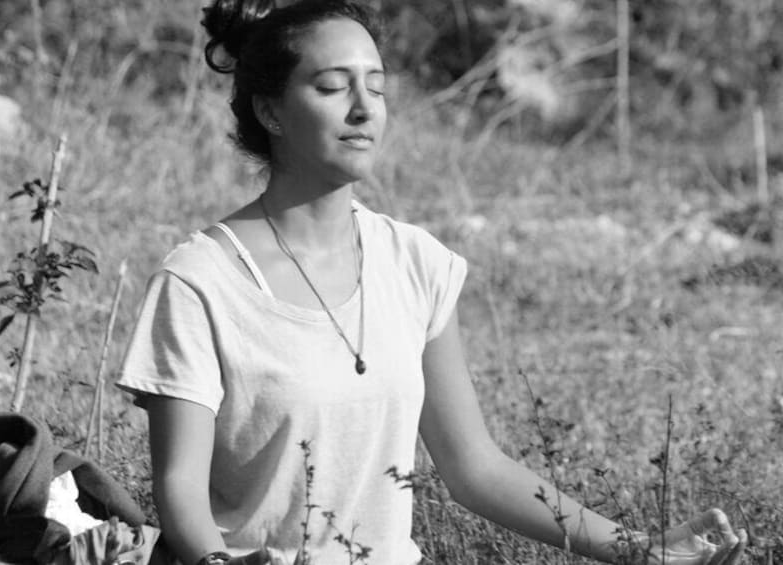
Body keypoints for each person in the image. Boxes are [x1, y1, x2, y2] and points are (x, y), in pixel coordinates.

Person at [116, 1, 749, 564]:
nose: (364, 108)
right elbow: (180, 491)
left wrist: (641, 550)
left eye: (378, 87)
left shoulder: (415, 262)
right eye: (333, 87)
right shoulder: (200, 281)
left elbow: (473, 467)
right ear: (271, 112)